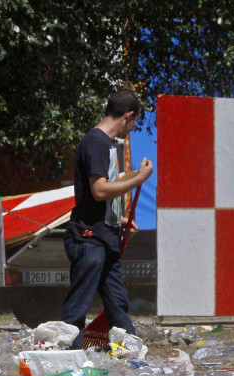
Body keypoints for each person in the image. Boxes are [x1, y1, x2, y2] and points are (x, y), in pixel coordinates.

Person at [60, 89, 153, 348]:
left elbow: (101, 196)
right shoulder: (96, 142)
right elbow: (99, 190)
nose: (132, 129)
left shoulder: (107, 145)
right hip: (88, 239)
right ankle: (67, 358)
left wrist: (119, 222)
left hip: (104, 236)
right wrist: (138, 179)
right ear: (128, 116)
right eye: (134, 123)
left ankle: (131, 353)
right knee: (78, 306)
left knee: (117, 302)